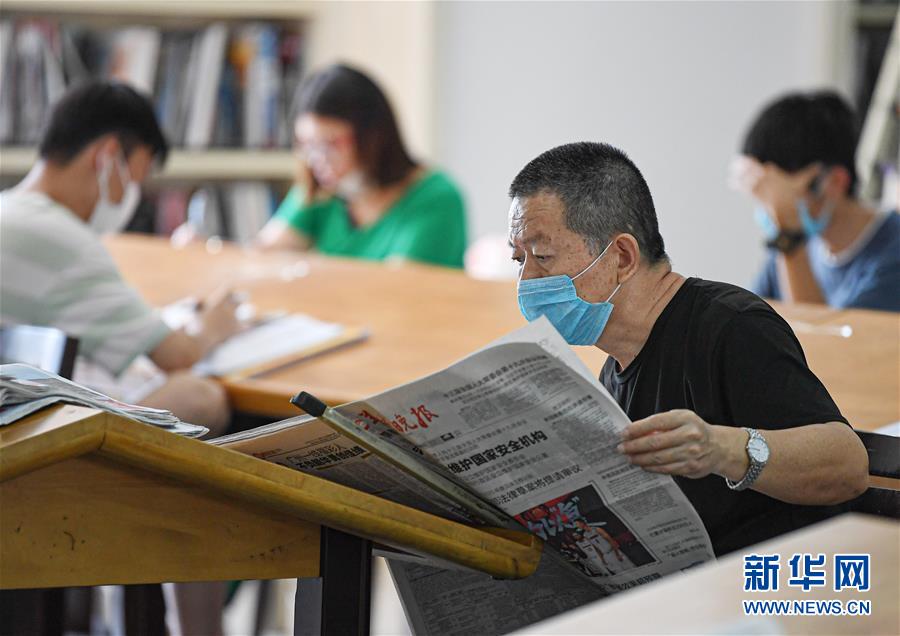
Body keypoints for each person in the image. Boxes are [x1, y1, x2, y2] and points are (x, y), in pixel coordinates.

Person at [509, 142, 869, 556]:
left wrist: (722, 449)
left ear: (622, 257)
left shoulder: (731, 326)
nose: (526, 282)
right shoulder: (614, 373)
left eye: (542, 256)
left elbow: (849, 465)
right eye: (519, 260)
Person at [0, 80, 236, 635]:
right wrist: (217, 322)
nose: (133, 194)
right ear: (108, 155)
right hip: (26, 465)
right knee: (200, 404)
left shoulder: (12, 210)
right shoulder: (56, 234)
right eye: (137, 176)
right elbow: (177, 354)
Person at [254, 64, 467, 268]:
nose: (318, 159)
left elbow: (399, 287)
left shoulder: (436, 197)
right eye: (307, 145)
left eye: (331, 144)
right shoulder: (321, 190)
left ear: (373, 137)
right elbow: (261, 255)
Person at [731, 90, 900, 311]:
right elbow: (748, 319)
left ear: (835, 181)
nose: (773, 211)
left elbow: (821, 331)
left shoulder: (893, 254)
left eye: (779, 197)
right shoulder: (792, 248)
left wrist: (789, 238)